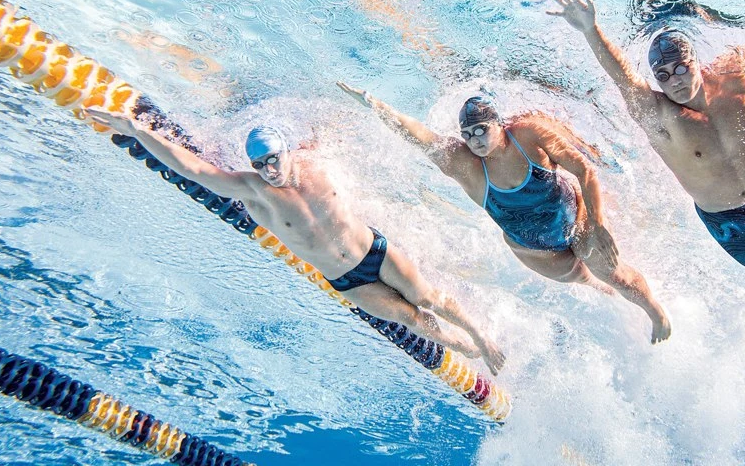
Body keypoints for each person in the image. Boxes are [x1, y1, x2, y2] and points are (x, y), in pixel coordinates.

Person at [84, 107, 505, 374]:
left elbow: (338, 127)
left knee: (428, 297)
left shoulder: (314, 160)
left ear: (286, 151)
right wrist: (135, 130)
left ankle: (483, 339)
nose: (269, 169)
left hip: (375, 251)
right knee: (411, 320)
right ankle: (466, 349)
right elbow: (192, 170)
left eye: (273, 158)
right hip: (348, 281)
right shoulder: (254, 191)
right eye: (260, 164)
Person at [547, 0, 745, 352]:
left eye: (681, 68)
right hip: (725, 215)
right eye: (663, 76)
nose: (675, 81)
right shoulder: (661, 117)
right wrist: (591, 30)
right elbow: (624, 78)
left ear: (696, 61)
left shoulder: (737, 82)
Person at [336, 84, 672, 344]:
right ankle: (614, 299)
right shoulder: (466, 166)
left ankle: (654, 311)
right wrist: (375, 105)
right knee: (589, 280)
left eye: (481, 129)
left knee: (611, 272)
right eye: (468, 135)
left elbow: (584, 170)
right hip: (535, 251)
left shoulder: (529, 136)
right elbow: (421, 137)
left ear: (500, 124)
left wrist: (598, 224)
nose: (475, 140)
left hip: (576, 220)